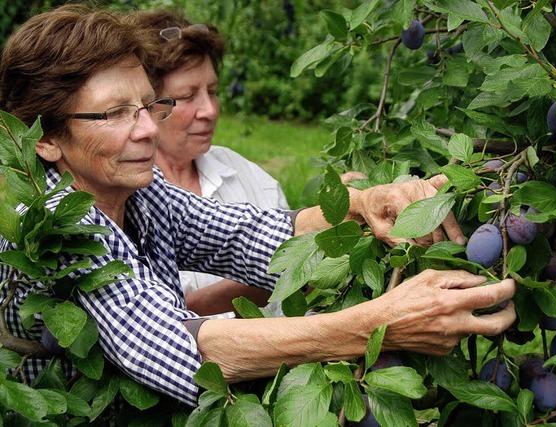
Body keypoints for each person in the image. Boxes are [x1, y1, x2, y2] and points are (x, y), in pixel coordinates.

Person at [0, 5, 516, 407]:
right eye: (115, 113)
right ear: (46, 139)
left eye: (147, 105)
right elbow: (191, 353)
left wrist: (362, 205)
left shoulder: (137, 189)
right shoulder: (55, 226)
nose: (146, 129)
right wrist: (379, 324)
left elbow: (244, 233)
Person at [132, 10, 287, 315]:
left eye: (212, 92)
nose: (209, 110)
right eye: (188, 96)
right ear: (147, 105)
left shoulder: (251, 180)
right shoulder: (122, 200)